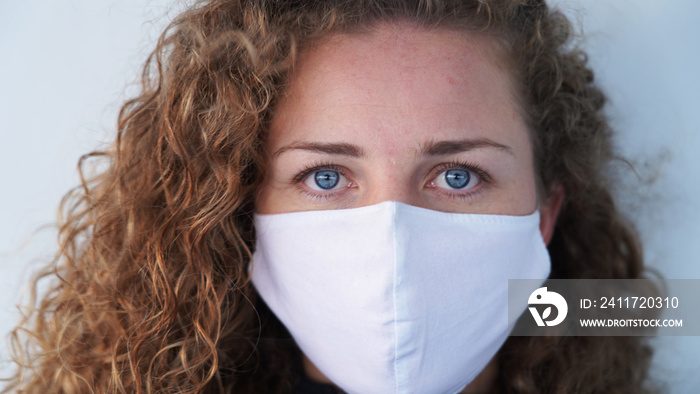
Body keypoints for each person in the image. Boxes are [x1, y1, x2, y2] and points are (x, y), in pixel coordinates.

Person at [4, 0, 658, 392]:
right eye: (325, 176)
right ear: (240, 209)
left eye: (458, 175)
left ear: (546, 214)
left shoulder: (610, 319)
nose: (392, 239)